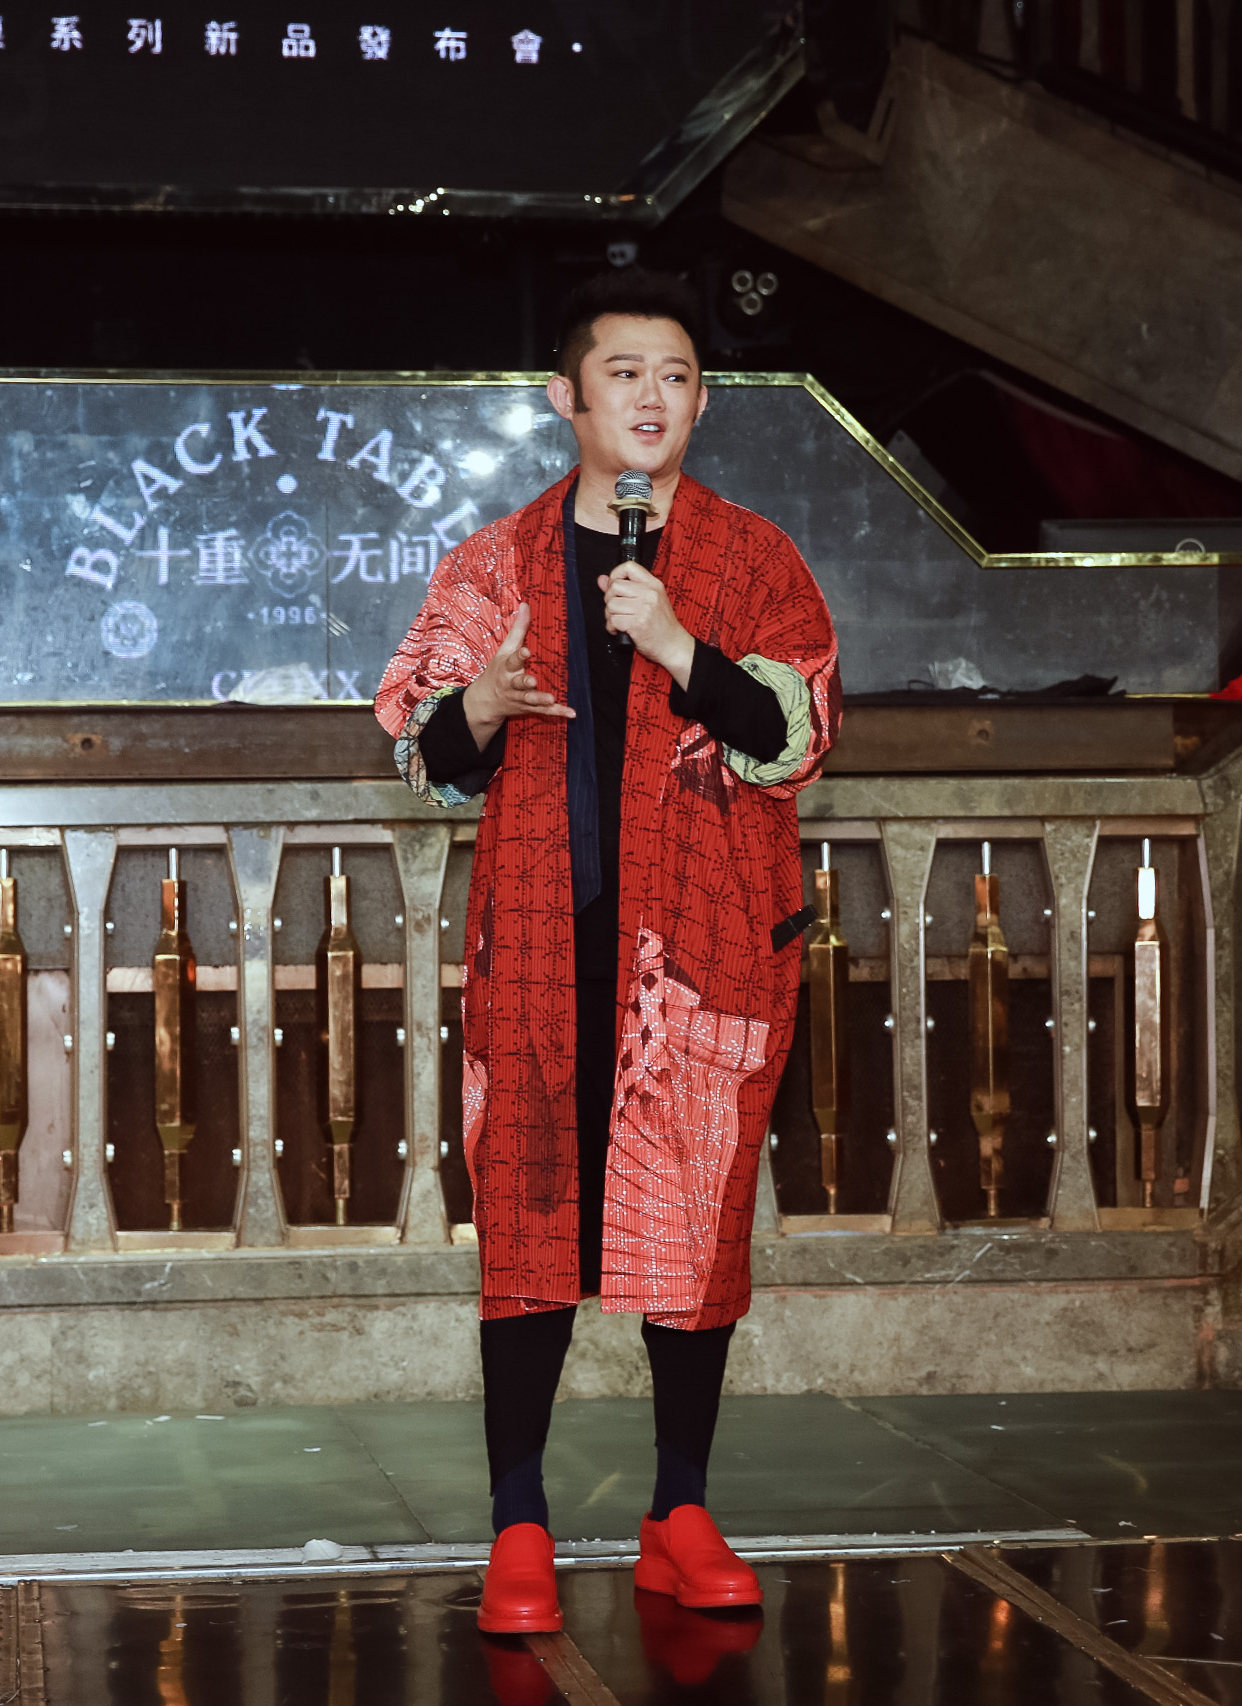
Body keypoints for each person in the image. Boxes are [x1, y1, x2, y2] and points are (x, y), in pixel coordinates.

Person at [373, 270, 840, 1635]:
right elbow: (424, 754)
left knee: (694, 1228)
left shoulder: (754, 560)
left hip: (699, 960)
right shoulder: (495, 564)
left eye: (677, 375)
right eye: (624, 371)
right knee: (527, 1225)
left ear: (701, 403)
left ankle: (678, 1510)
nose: (651, 396)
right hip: (539, 949)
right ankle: (519, 1522)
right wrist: (482, 700)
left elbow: (797, 734)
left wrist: (678, 641)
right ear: (565, 396)